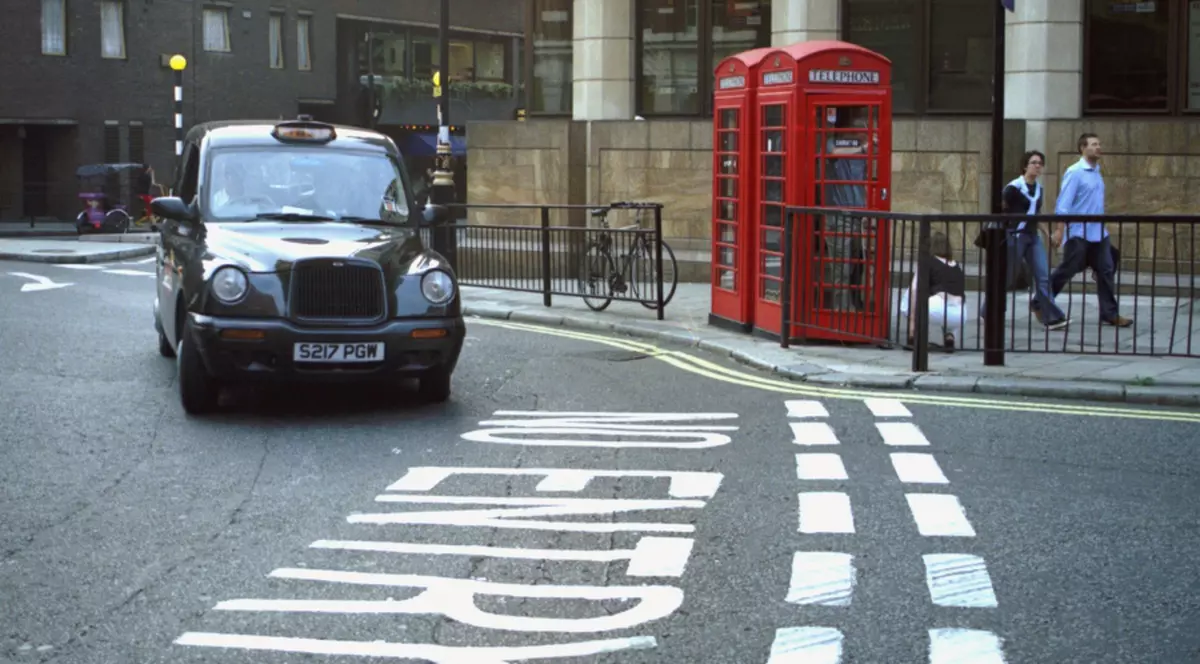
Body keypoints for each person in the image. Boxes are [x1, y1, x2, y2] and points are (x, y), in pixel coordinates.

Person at [1048, 133, 1133, 328]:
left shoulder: (1096, 171)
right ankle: (1041, 301)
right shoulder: (1075, 172)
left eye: (1099, 144)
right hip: (1079, 232)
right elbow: (1063, 204)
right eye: (1094, 144)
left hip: (1098, 233)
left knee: (1106, 269)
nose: (1098, 147)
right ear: (1082, 148)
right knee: (1067, 270)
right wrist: (1060, 230)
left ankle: (1110, 314)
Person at [1002, 150, 1069, 330]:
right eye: (1034, 162)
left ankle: (1052, 316)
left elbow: (1035, 215)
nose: (1037, 166)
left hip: (1032, 237)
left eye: (1040, 163)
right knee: (1007, 277)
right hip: (1015, 237)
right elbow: (1002, 211)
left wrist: (1048, 235)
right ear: (1025, 166)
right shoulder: (1013, 188)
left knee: (1043, 276)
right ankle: (989, 311)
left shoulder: (1038, 189)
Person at [903, 230, 966, 351]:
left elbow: (915, 289)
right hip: (961, 315)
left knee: (910, 292)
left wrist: (912, 325)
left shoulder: (928, 262)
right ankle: (950, 337)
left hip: (936, 309)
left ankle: (915, 336)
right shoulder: (957, 267)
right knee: (952, 301)